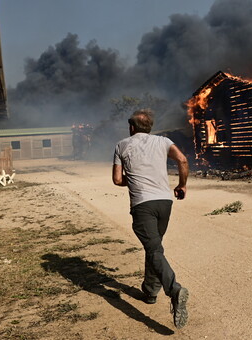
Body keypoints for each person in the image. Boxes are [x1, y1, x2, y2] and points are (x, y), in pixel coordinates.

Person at [112, 109, 189, 329]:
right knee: (153, 247)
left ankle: (175, 291)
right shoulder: (164, 142)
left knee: (154, 249)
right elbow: (183, 160)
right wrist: (182, 184)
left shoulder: (122, 145)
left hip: (142, 205)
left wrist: (136, 180)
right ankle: (150, 291)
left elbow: (117, 180)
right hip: (165, 202)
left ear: (131, 127)